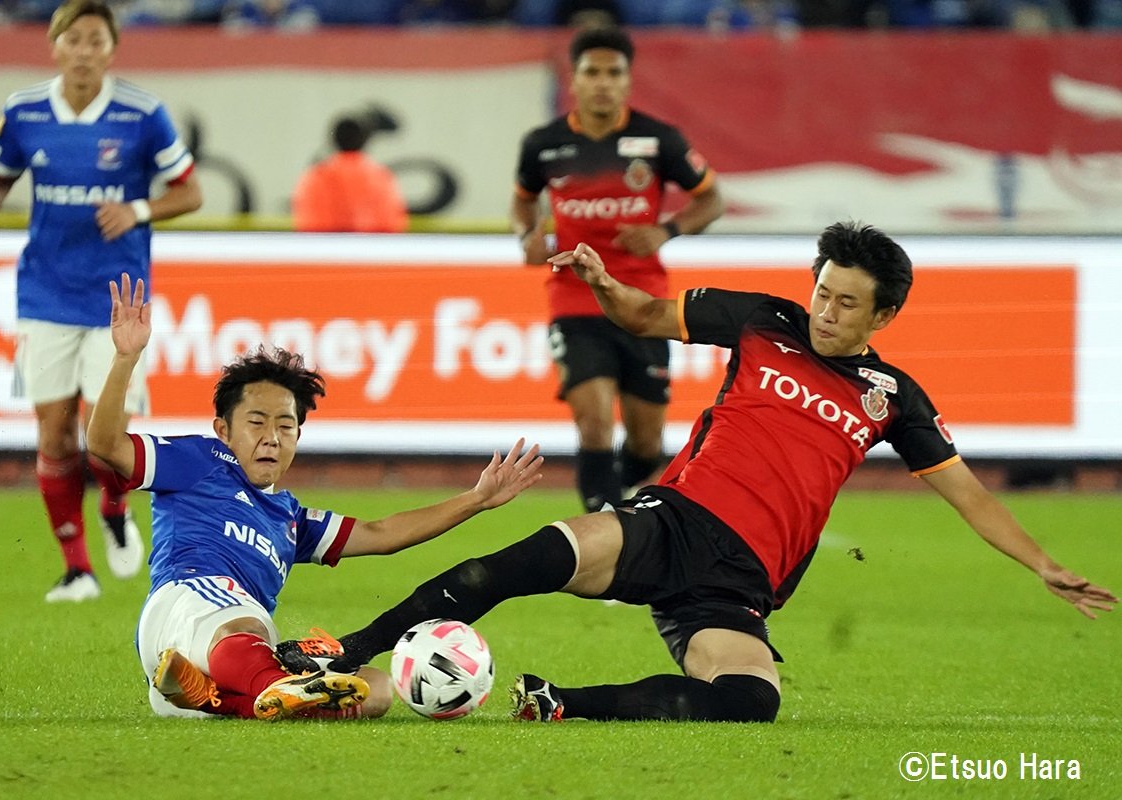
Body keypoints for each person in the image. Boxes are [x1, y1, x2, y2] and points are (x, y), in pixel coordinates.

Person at [317, 221, 1117, 723]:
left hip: (738, 581)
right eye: (822, 292)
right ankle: (349, 651)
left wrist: (1045, 564)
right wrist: (603, 285)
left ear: (885, 317)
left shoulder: (894, 398)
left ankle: (558, 703)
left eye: (846, 304)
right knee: (515, 564)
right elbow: (645, 315)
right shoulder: (763, 320)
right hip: (670, 522)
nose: (824, 311)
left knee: (749, 701)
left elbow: (970, 496)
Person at [85, 274, 543, 720]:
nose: (271, 438)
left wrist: (477, 499)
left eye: (285, 426)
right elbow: (105, 444)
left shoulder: (290, 517)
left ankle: (216, 699)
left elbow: (381, 534)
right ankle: (268, 686)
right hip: (181, 614)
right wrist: (125, 358)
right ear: (223, 430)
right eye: (257, 422)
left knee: (376, 689)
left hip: (213, 665)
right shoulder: (198, 460)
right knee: (243, 618)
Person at [0, 0, 203, 603]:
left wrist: (138, 209)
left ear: (112, 49)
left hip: (120, 301)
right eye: (75, 39)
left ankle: (115, 509)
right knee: (55, 435)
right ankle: (77, 569)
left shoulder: (142, 114)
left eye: (96, 41)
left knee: (106, 436)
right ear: (54, 45)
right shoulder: (24, 110)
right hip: (45, 293)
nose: (85, 51)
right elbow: (0, 175)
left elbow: (190, 191)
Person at [511, 26, 724, 513]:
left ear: (628, 81)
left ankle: (617, 496)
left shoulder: (658, 140)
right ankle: (603, 528)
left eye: (614, 73)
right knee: (594, 422)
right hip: (574, 296)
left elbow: (711, 200)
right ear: (575, 79)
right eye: (592, 72)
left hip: (642, 302)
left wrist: (666, 231)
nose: (603, 82)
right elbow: (522, 203)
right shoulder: (543, 144)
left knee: (647, 441)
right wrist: (527, 235)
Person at [290, 116, 409, 233]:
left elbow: (306, 222)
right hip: (370, 249)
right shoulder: (381, 177)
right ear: (364, 141)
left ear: (334, 140)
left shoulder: (315, 176)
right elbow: (393, 223)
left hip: (324, 249)